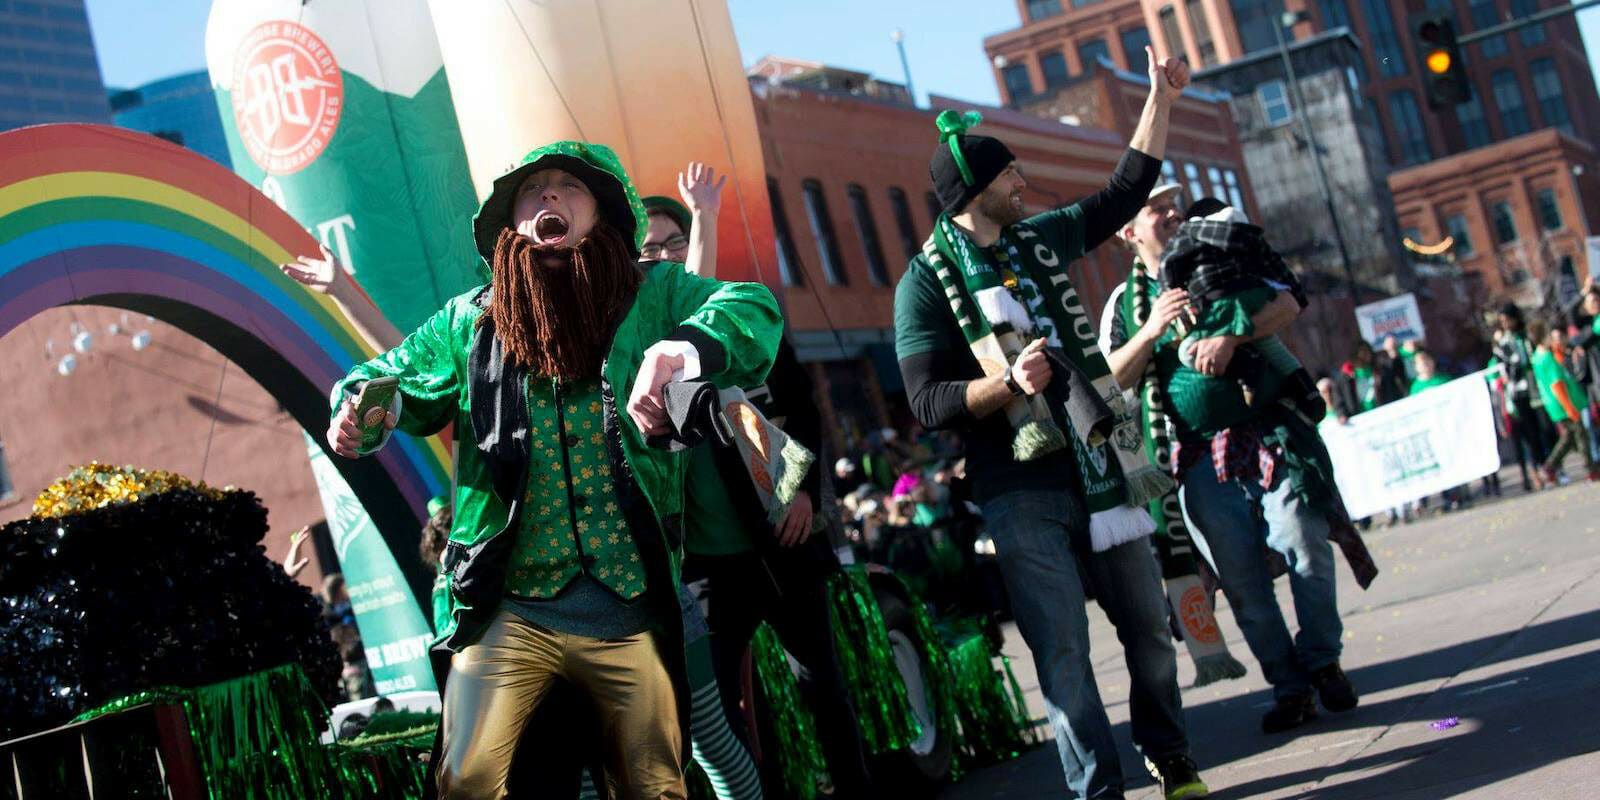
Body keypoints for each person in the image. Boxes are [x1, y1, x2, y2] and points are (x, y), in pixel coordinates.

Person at [325, 140, 781, 800]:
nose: (547, 197)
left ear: (601, 213)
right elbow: (392, 376)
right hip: (510, 608)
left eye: (567, 186)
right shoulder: (470, 322)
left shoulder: (654, 295)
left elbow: (753, 310)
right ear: (509, 224)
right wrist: (361, 405)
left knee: (662, 777)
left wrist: (685, 350)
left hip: (633, 599)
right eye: (530, 191)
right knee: (469, 781)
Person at [896, 47, 1208, 800]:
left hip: (1102, 464)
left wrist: (1160, 97)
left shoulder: (1040, 240)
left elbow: (1123, 192)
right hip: (1018, 492)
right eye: (1009, 175)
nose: (1022, 182)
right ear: (975, 189)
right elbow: (925, 401)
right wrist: (1004, 385)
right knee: (1063, 659)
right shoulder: (922, 285)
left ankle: (1171, 758)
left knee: (1151, 641)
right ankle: (1099, 791)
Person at [1104, 166, 1363, 739]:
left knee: (1306, 544)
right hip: (1197, 457)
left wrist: (1232, 335)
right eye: (1159, 209)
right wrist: (1150, 331)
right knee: (1244, 582)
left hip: (1269, 433)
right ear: (1129, 232)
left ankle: (1322, 660)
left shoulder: (1219, 256)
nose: (1174, 214)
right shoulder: (1125, 302)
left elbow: (1288, 302)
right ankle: (1290, 688)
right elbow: (1112, 381)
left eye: (1177, 205)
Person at [643, 160, 874, 797]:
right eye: (648, 248)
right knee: (720, 716)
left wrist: (802, 492)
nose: (662, 256)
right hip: (707, 567)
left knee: (821, 683)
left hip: (782, 542)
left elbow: (803, 410)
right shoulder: (633, 353)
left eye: (673, 242)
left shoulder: (740, 325)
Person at [1529, 319, 1599, 485]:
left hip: (1555, 405)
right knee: (1581, 435)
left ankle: (1550, 467)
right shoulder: (1547, 358)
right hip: (1564, 403)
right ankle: (1591, 468)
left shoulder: (1538, 357)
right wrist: (1569, 407)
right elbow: (1557, 384)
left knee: (1569, 437)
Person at [1491, 304, 1552, 491]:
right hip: (1519, 393)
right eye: (1502, 321)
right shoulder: (1503, 345)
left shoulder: (1527, 336)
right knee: (1530, 433)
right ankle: (1540, 469)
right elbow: (1505, 370)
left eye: (1507, 319)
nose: (1505, 324)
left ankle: (1551, 465)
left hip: (1538, 388)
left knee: (1547, 428)